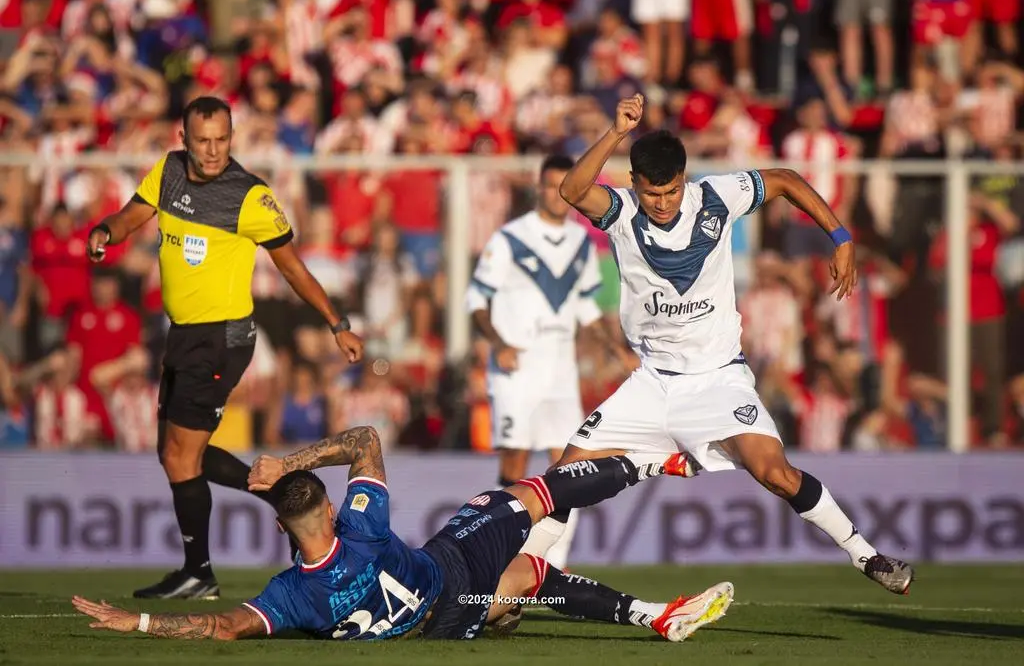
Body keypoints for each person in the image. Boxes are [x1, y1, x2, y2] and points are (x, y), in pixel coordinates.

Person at [523, 93, 914, 596]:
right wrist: (617, 132)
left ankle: (867, 556)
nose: (662, 204)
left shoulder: (716, 197)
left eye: (670, 191)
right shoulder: (620, 211)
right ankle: (524, 585)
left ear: (684, 179)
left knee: (776, 473)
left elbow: (787, 181)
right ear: (635, 184)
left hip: (718, 380)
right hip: (652, 383)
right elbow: (573, 189)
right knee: (562, 479)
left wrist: (840, 237)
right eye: (651, 194)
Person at [71, 425, 733, 642]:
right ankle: (660, 462)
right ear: (329, 511)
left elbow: (218, 626)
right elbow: (365, 439)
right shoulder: (359, 526)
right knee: (529, 495)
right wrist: (293, 461)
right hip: (451, 568)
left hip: (446, 620)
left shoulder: (286, 599)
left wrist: (135, 622)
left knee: (527, 583)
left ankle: (656, 616)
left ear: (280, 526)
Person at [85, 96, 365, 600]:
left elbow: (293, 268)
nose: (213, 152)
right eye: (202, 141)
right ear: (182, 137)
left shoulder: (250, 197)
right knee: (172, 453)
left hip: (221, 340)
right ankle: (280, 494)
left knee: (180, 455)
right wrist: (107, 230)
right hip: (184, 334)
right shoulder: (168, 172)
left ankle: (201, 571)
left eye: (222, 140)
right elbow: (132, 215)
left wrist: (336, 323)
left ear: (232, 137)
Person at [466, 154, 630, 571]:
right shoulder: (510, 238)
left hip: (560, 368)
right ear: (539, 188)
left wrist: (616, 350)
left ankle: (553, 561)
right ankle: (503, 554)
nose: (559, 196)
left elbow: (586, 309)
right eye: (552, 186)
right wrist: (498, 342)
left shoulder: (580, 242)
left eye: (565, 187)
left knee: (569, 463)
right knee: (515, 462)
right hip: (517, 365)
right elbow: (477, 300)